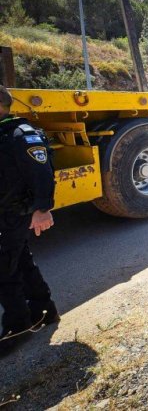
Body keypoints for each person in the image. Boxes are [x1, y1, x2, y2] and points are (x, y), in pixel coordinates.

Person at [0, 85, 59, 355]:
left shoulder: (20, 134)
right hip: (6, 214)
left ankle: (18, 326)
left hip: (15, 213)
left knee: (5, 269)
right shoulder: (5, 134)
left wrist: (42, 209)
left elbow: (42, 173)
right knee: (20, 261)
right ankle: (43, 310)